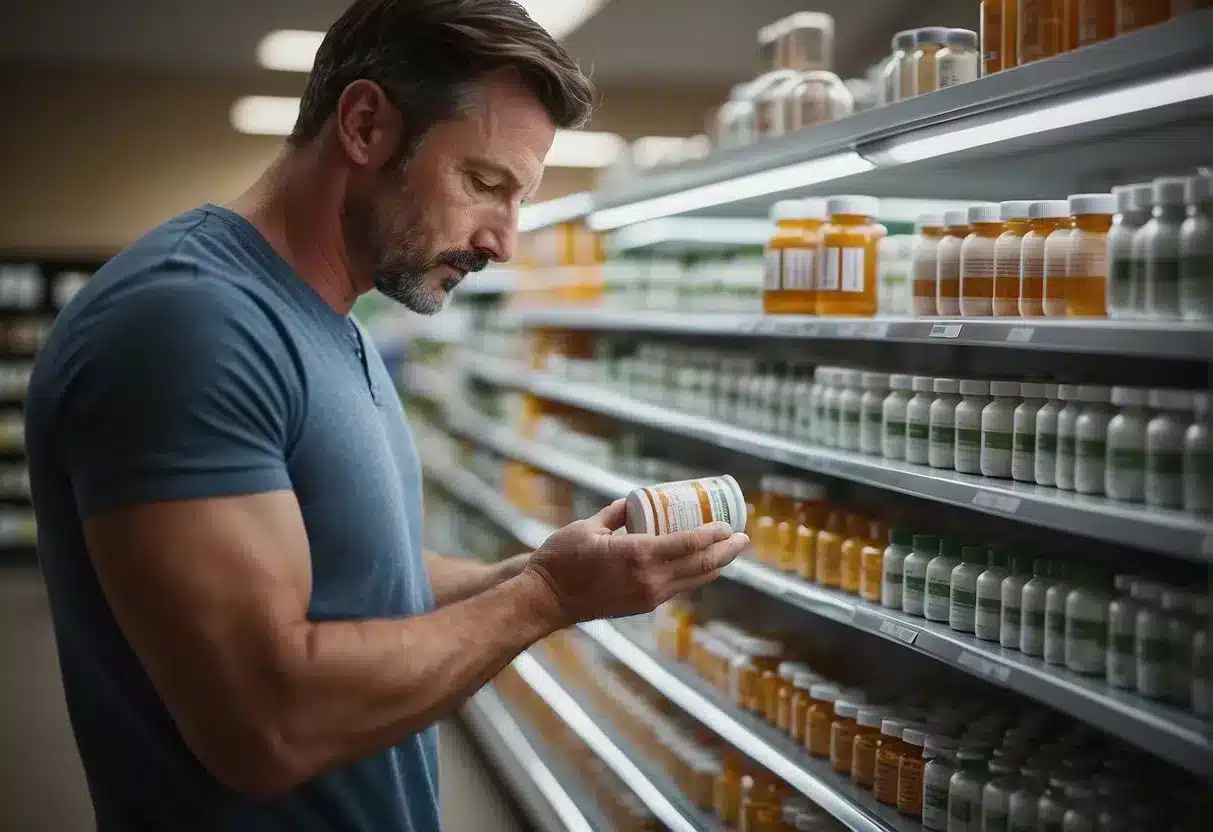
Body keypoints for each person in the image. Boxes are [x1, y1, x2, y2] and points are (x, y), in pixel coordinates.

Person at [23, 0, 749, 830]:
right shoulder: (187, 324)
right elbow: (266, 726)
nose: (503, 242)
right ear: (365, 126)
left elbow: (362, 572)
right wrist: (544, 598)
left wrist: (531, 572)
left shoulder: (335, 323)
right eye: (485, 184)